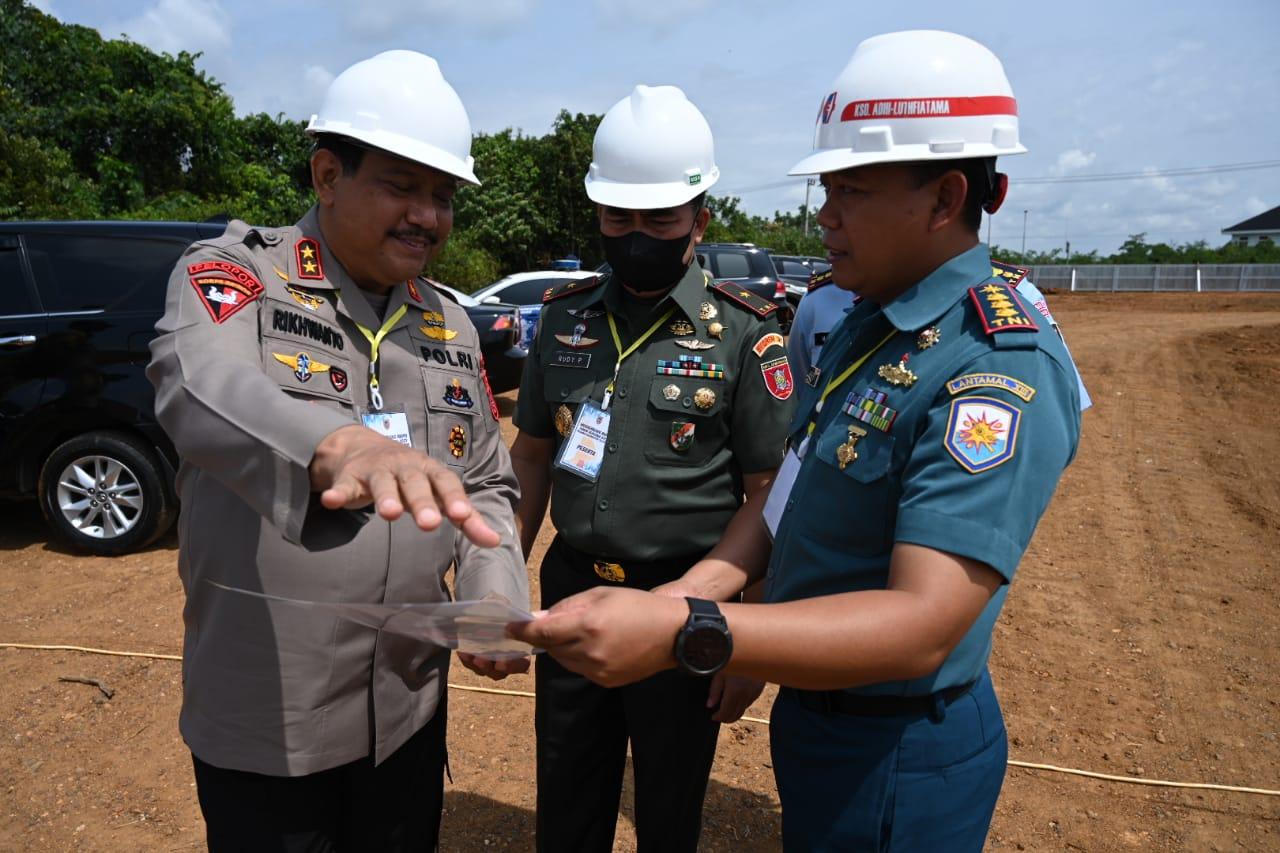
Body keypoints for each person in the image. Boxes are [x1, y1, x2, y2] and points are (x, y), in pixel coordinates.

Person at [512, 30, 1082, 851]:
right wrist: (684, 601)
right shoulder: (868, 330)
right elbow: (783, 500)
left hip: (898, 743)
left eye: (849, 189)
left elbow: (922, 623)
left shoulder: (992, 362)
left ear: (945, 198)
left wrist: (692, 630)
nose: (824, 215)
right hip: (819, 712)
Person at [147, 50, 529, 851]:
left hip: (407, 708)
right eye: (401, 186)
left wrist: (495, 595)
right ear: (327, 174)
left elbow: (488, 480)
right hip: (271, 718)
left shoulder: (448, 324)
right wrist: (331, 442)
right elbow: (198, 381)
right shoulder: (235, 274)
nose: (428, 216)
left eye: (443, 196)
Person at [507, 84, 795, 852]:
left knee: (668, 808)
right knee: (567, 793)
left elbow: (769, 494)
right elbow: (531, 455)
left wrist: (749, 634)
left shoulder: (745, 335)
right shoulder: (564, 319)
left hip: (686, 603)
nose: (636, 235)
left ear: (701, 216)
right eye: (617, 218)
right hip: (572, 586)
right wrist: (502, 568)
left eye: (659, 219)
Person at [791, 260, 1095, 410]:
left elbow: (1059, 408)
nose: (826, 216)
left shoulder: (1014, 300)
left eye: (856, 191)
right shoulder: (821, 300)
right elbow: (802, 397)